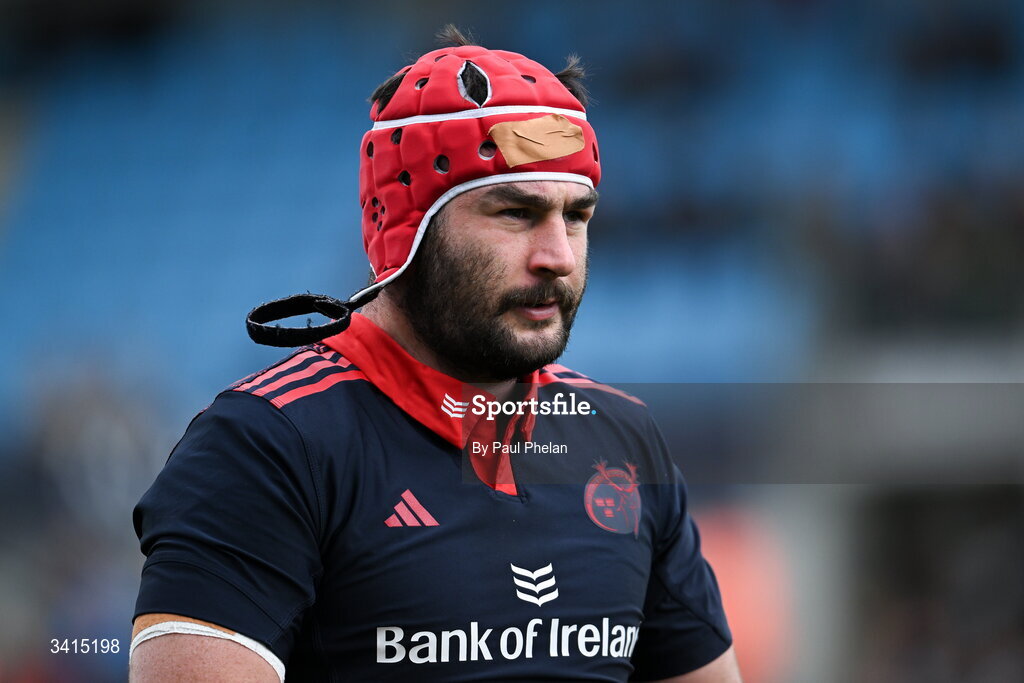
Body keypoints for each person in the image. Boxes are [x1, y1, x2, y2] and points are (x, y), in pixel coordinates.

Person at [129, 27, 741, 682]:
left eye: (577, 215)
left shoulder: (623, 439)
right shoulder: (263, 447)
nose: (558, 254)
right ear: (404, 229)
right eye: (514, 212)